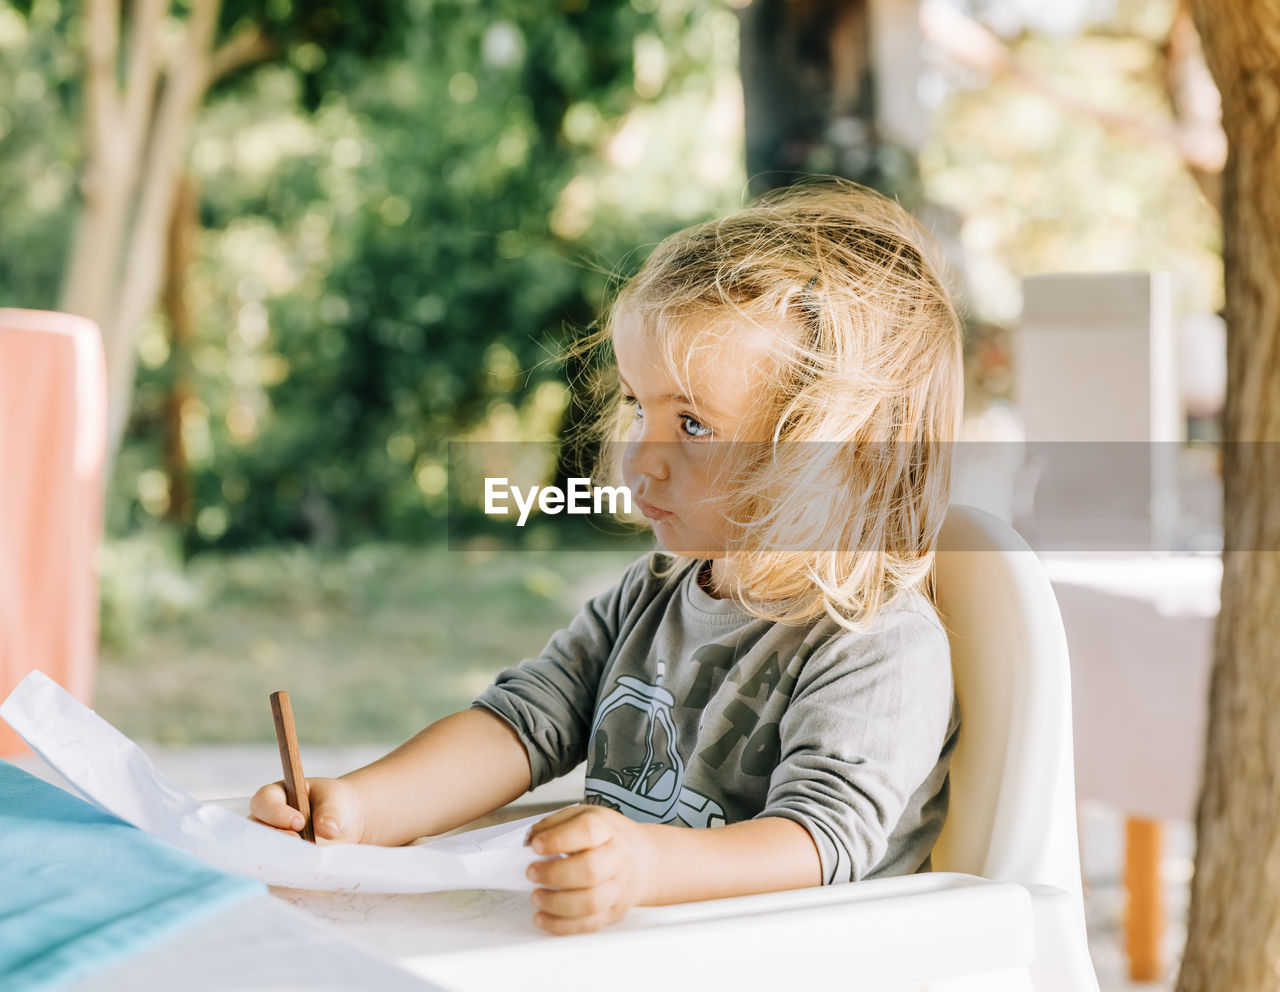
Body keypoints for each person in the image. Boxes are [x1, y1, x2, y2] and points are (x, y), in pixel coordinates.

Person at [251, 179, 964, 936]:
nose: (638, 458)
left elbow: (824, 840)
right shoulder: (652, 591)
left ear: (831, 455)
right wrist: (359, 810)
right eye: (635, 404)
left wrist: (646, 869)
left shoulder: (880, 644)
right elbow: (526, 724)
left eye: (692, 424)